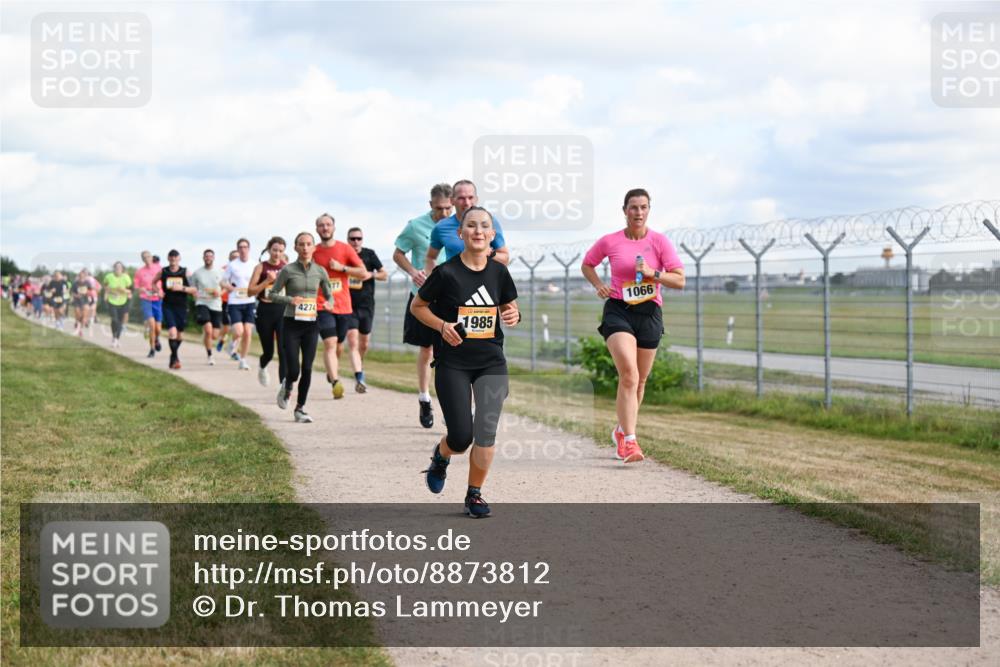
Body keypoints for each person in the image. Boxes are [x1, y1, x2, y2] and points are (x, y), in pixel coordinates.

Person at [410, 206, 521, 518]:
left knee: (485, 431)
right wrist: (442, 326)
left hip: (491, 362)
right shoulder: (445, 273)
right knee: (461, 437)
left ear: (492, 235)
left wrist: (514, 314)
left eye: (484, 226)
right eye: (471, 225)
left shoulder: (499, 271)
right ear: (461, 234)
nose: (478, 231)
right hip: (453, 363)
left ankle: (474, 494)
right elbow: (418, 307)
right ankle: (442, 455)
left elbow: (510, 307)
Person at [581, 188, 685, 464]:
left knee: (640, 381)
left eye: (643, 207)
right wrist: (599, 285)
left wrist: (655, 274)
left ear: (649, 210)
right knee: (629, 373)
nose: (638, 212)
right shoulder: (610, 241)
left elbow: (680, 280)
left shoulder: (660, 242)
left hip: (650, 312)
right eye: (633, 207)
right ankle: (630, 441)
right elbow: (588, 264)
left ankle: (621, 429)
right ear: (624, 210)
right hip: (619, 310)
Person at [393, 183, 454, 427]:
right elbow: (398, 253)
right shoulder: (416, 225)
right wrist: (412, 271)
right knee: (427, 349)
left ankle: (451, 406)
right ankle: (424, 397)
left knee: (451, 353)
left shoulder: (460, 225)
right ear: (431, 205)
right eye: (440, 208)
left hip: (451, 297)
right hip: (424, 295)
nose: (445, 213)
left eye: (449, 208)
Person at [269, 231, 333, 423]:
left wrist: (329, 302)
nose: (305, 248)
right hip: (291, 324)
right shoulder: (287, 271)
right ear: (296, 248)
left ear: (314, 247)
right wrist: (290, 299)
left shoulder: (320, 271)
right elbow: (272, 295)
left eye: (308, 244)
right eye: (301, 244)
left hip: (311, 325)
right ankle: (288, 385)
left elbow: (329, 294)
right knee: (294, 369)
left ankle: (300, 408)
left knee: (307, 368)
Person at [312, 213, 367, 399]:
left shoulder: (345, 249)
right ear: (317, 229)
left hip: (344, 306)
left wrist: (342, 268)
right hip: (322, 305)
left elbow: (363, 272)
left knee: (339, 345)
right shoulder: (313, 251)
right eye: (321, 225)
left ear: (334, 228)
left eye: (328, 225)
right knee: (329, 343)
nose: (325, 228)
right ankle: (335, 382)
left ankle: (331, 370)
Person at [424, 179, 509, 273]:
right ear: (452, 201)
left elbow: (505, 259)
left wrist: (488, 253)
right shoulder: (441, 227)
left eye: (470, 197)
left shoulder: (490, 222)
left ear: (476, 199)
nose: (467, 202)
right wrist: (433, 280)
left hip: (485, 284)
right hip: (454, 285)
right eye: (461, 198)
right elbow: (430, 257)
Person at [343, 226, 387, 392]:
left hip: (367, 305)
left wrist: (371, 274)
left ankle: (359, 366)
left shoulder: (369, 254)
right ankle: (359, 377)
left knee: (364, 344)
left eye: (358, 238)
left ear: (362, 239)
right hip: (349, 305)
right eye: (352, 238)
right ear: (348, 240)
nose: (355, 241)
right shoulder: (344, 256)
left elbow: (384, 274)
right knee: (353, 341)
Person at [247, 237, 287, 387]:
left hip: (282, 310)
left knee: (283, 350)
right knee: (269, 352)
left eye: (281, 251)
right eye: (275, 250)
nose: (277, 254)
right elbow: (250, 292)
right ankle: (263, 366)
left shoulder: (287, 268)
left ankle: (283, 386)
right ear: (269, 249)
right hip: (265, 310)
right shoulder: (260, 267)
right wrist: (266, 282)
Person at [222, 239, 257, 371]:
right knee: (239, 331)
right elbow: (223, 282)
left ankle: (243, 360)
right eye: (240, 247)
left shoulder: (254, 264)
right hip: (235, 301)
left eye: (245, 247)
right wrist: (229, 287)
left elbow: (258, 280)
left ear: (249, 249)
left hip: (249, 301)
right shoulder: (232, 265)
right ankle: (232, 343)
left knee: (247, 332)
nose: (243, 249)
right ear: (237, 249)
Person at [160, 250, 197, 369]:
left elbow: (194, 289)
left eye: (175, 257)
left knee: (180, 335)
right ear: (168, 258)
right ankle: (175, 358)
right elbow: (153, 283)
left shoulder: (185, 272)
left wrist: (182, 288)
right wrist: (158, 291)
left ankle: (172, 356)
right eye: (171, 257)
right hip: (168, 305)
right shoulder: (163, 271)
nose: (173, 259)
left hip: (181, 306)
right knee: (172, 332)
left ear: (179, 258)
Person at [190, 249, 224, 365]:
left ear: (213, 258)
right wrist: (195, 295)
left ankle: (207, 336)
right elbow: (192, 288)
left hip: (216, 304)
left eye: (210, 256)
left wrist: (220, 293)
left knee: (214, 335)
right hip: (202, 303)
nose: (208, 258)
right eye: (206, 256)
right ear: (203, 258)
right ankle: (210, 355)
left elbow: (226, 287)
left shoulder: (220, 272)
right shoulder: (197, 273)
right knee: (209, 330)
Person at [134, 251, 164, 357]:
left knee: (158, 328)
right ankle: (152, 349)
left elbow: (164, 281)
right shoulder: (139, 272)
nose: (146, 258)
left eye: (148, 256)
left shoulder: (159, 268)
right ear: (142, 259)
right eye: (144, 257)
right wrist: (141, 288)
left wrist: (161, 291)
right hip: (146, 300)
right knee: (151, 324)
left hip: (157, 299)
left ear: (152, 257)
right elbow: (136, 286)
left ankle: (157, 339)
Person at [103, 261, 132, 348]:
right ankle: (114, 337)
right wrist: (107, 292)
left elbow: (131, 290)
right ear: (114, 268)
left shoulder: (126, 278)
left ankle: (116, 339)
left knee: (120, 321)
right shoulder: (109, 276)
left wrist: (124, 290)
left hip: (123, 301)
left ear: (122, 269)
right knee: (114, 320)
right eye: (116, 267)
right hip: (112, 301)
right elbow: (105, 285)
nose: (118, 269)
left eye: (120, 267)